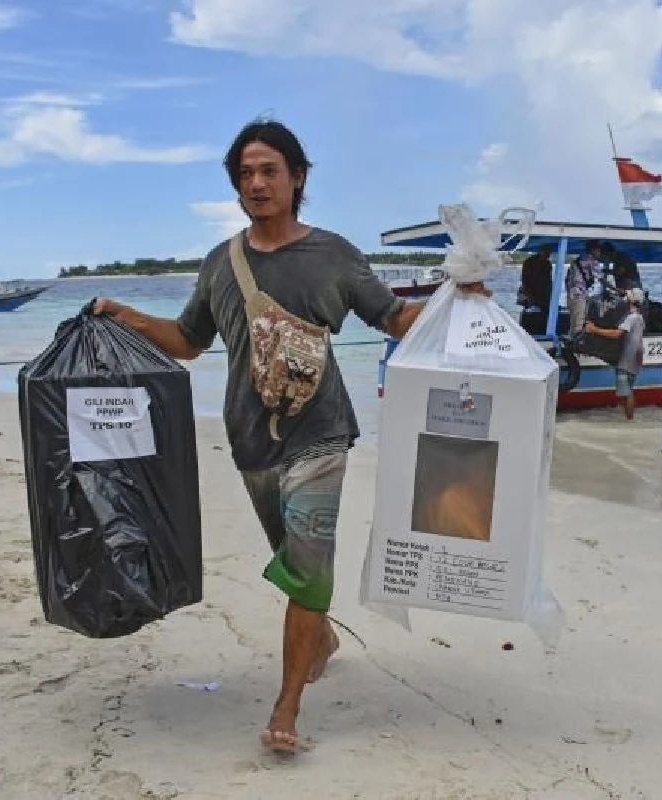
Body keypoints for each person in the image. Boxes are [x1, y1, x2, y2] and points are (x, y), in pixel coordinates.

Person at [91, 118, 488, 755]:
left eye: (268, 170)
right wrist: (125, 314)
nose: (256, 182)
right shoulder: (221, 264)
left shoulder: (332, 253)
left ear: (297, 176)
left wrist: (454, 296)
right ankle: (322, 639)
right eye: (245, 173)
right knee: (296, 561)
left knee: (306, 567)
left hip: (322, 433)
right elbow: (189, 344)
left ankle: (287, 705)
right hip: (251, 441)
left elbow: (392, 318)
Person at [584, 287, 646, 420]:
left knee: (626, 392)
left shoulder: (631, 318)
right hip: (635, 359)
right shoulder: (639, 318)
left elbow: (616, 334)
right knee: (628, 389)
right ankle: (629, 418)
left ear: (630, 300)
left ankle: (629, 420)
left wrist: (594, 329)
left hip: (627, 359)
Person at [565, 241, 601, 333]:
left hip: (571, 295)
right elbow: (601, 278)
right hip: (579, 295)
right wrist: (615, 289)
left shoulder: (577, 260)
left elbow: (567, 278)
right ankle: (576, 346)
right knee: (579, 324)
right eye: (599, 250)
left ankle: (570, 344)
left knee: (573, 323)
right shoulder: (592, 261)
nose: (600, 253)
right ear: (594, 250)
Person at [518, 244, 553, 329]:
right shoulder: (529, 262)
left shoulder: (547, 263)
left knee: (542, 314)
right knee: (530, 314)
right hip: (531, 293)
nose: (548, 255)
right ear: (541, 252)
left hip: (543, 295)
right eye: (546, 253)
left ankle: (540, 329)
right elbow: (524, 279)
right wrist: (528, 295)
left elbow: (548, 280)